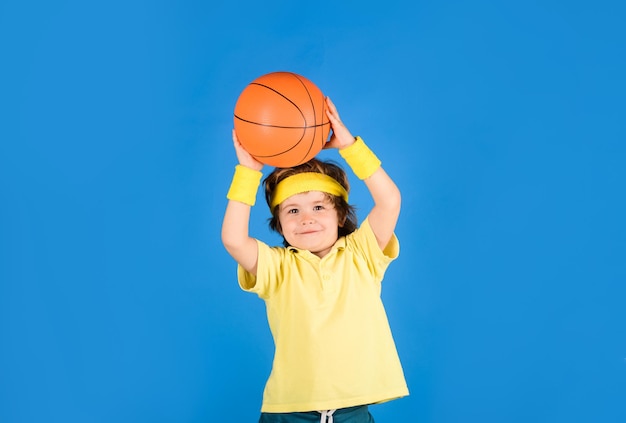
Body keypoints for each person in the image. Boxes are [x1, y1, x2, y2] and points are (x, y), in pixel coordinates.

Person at [221, 97, 408, 423]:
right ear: (279, 224)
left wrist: (350, 147)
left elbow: (390, 200)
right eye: (292, 210)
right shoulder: (277, 267)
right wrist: (248, 174)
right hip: (288, 411)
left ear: (341, 215)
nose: (306, 218)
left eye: (318, 207)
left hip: (352, 410)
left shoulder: (362, 254)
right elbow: (234, 240)